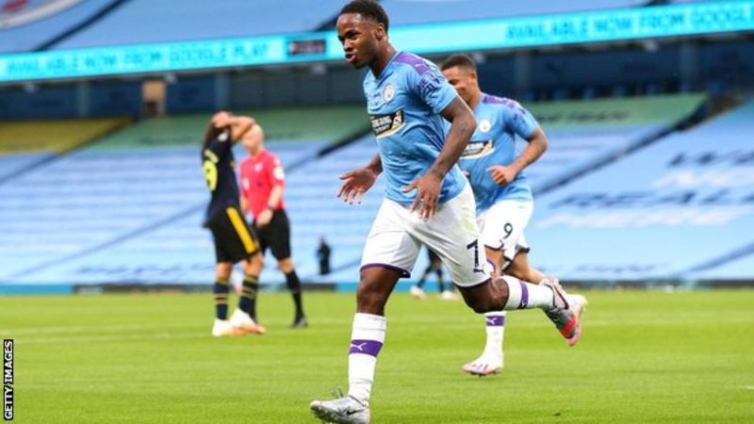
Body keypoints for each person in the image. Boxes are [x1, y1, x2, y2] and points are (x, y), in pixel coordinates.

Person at [309, 2, 582, 423]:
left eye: (353, 35)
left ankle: (550, 297)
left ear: (379, 32)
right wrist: (372, 170)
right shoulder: (371, 82)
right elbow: (399, 134)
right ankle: (358, 402)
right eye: (341, 38)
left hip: (445, 203)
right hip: (399, 203)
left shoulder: (415, 71)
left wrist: (436, 175)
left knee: (483, 298)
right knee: (370, 291)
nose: (345, 45)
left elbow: (464, 121)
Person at [441, 54, 588, 376]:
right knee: (522, 272)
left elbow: (539, 140)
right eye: (445, 84)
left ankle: (493, 354)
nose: (450, 89)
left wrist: (512, 168)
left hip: (511, 200)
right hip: (478, 208)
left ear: (472, 78)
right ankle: (568, 301)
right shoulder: (450, 119)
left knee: (487, 270)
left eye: (454, 82)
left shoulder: (502, 109)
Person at [201, 111, 266, 337]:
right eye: (224, 117)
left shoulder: (208, 149)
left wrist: (223, 122)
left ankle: (220, 323)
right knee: (256, 260)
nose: (229, 118)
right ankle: (242, 314)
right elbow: (250, 121)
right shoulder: (220, 142)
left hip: (214, 213)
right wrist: (230, 121)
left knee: (224, 268)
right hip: (227, 210)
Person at [239, 124, 308, 328]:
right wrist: (239, 219)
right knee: (251, 265)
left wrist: (269, 209)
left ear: (259, 138)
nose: (245, 143)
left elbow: (279, 186)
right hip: (256, 222)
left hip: (276, 219)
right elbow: (245, 196)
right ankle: (250, 317)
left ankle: (300, 315)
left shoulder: (271, 160)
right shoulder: (244, 165)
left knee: (285, 264)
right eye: (243, 139)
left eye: (249, 138)